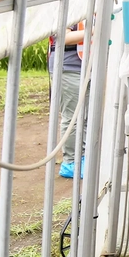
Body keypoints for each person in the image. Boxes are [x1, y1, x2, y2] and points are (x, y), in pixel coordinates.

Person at [48, 24, 84, 179]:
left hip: (86, 65)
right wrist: (97, 30)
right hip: (68, 67)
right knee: (73, 117)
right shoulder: (71, 5)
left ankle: (83, 157)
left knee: (86, 116)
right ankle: (71, 162)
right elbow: (63, 37)